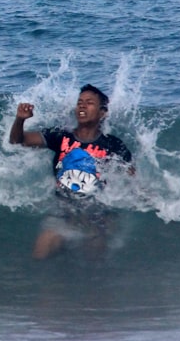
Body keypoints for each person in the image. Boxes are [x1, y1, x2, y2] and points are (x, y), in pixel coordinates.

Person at [9, 84, 134, 259]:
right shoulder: (61, 136)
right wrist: (20, 120)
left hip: (96, 215)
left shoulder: (114, 145)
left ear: (102, 113)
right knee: (40, 254)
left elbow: (131, 179)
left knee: (93, 262)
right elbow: (17, 141)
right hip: (64, 212)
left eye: (89, 103)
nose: (82, 105)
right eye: (80, 102)